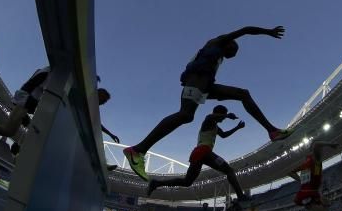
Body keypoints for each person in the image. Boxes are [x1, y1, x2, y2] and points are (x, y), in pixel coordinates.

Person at [123, 25, 293, 180]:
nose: (234, 54)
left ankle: (272, 131)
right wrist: (267, 32)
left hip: (205, 85)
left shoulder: (218, 56)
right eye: (234, 50)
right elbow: (246, 30)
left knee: (243, 94)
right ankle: (137, 150)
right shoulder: (218, 41)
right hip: (197, 80)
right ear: (229, 43)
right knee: (185, 115)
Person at [0, 67, 112, 144]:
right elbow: (28, 87)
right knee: (13, 130)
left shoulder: (60, 80)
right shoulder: (53, 72)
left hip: (29, 102)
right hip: (24, 99)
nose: (102, 104)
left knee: (10, 132)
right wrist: (91, 79)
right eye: (102, 100)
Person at [146, 105, 246, 200]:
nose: (223, 119)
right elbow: (210, 116)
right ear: (219, 113)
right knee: (229, 171)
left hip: (198, 153)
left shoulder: (215, 126)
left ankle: (156, 183)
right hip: (204, 151)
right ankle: (241, 197)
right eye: (222, 116)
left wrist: (237, 127)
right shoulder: (209, 120)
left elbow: (224, 135)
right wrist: (227, 115)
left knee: (187, 182)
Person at [287, 139, 338, 211]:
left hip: (308, 195)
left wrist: (301, 180)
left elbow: (290, 172)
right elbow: (317, 144)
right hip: (310, 196)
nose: (322, 152)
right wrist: (330, 144)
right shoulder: (315, 161)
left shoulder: (307, 164)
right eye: (319, 150)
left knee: (327, 203)